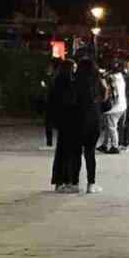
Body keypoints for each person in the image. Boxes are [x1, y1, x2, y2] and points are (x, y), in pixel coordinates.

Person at [72, 58, 104, 193]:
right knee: (90, 153)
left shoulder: (75, 82)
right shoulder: (98, 82)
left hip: (78, 119)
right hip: (94, 119)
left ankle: (75, 183)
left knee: (76, 152)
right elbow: (105, 98)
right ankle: (91, 183)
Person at [48, 59, 78, 191]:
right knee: (69, 152)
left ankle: (59, 180)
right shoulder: (70, 84)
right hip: (70, 120)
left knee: (61, 151)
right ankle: (67, 179)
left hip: (61, 121)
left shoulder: (56, 82)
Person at [99, 61, 127, 155]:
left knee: (111, 127)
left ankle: (115, 146)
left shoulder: (110, 78)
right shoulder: (120, 76)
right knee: (109, 126)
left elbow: (107, 89)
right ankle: (105, 144)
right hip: (122, 105)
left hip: (114, 107)